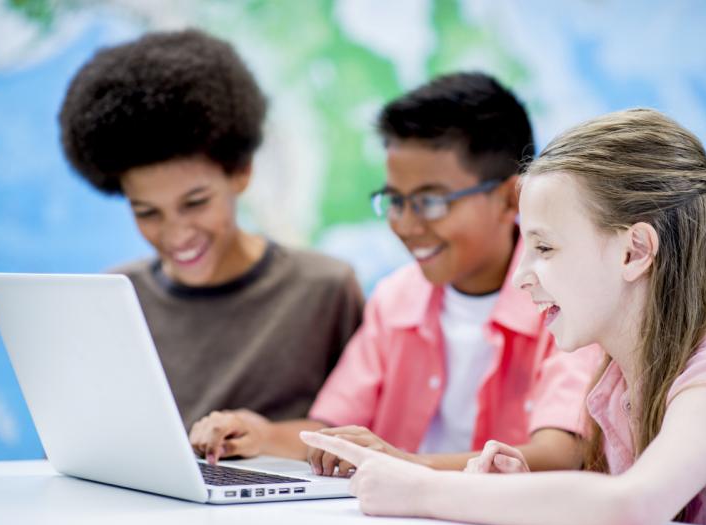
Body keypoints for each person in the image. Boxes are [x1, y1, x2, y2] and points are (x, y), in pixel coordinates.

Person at [302, 108, 706, 525]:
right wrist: (514, 489)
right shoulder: (618, 381)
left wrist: (419, 488)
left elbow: (629, 507)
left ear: (635, 251)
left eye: (544, 248)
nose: (523, 276)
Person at [192, 72, 601, 472]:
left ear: (513, 199)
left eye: (431, 202)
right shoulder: (396, 299)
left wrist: (411, 466)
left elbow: (560, 453)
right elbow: (332, 430)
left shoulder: (566, 302)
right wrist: (259, 435)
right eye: (395, 200)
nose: (405, 224)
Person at [58, 29, 364, 448]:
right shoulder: (116, 294)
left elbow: (364, 434)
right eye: (147, 212)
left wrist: (264, 437)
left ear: (241, 172)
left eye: (196, 202)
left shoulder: (324, 289)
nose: (176, 234)